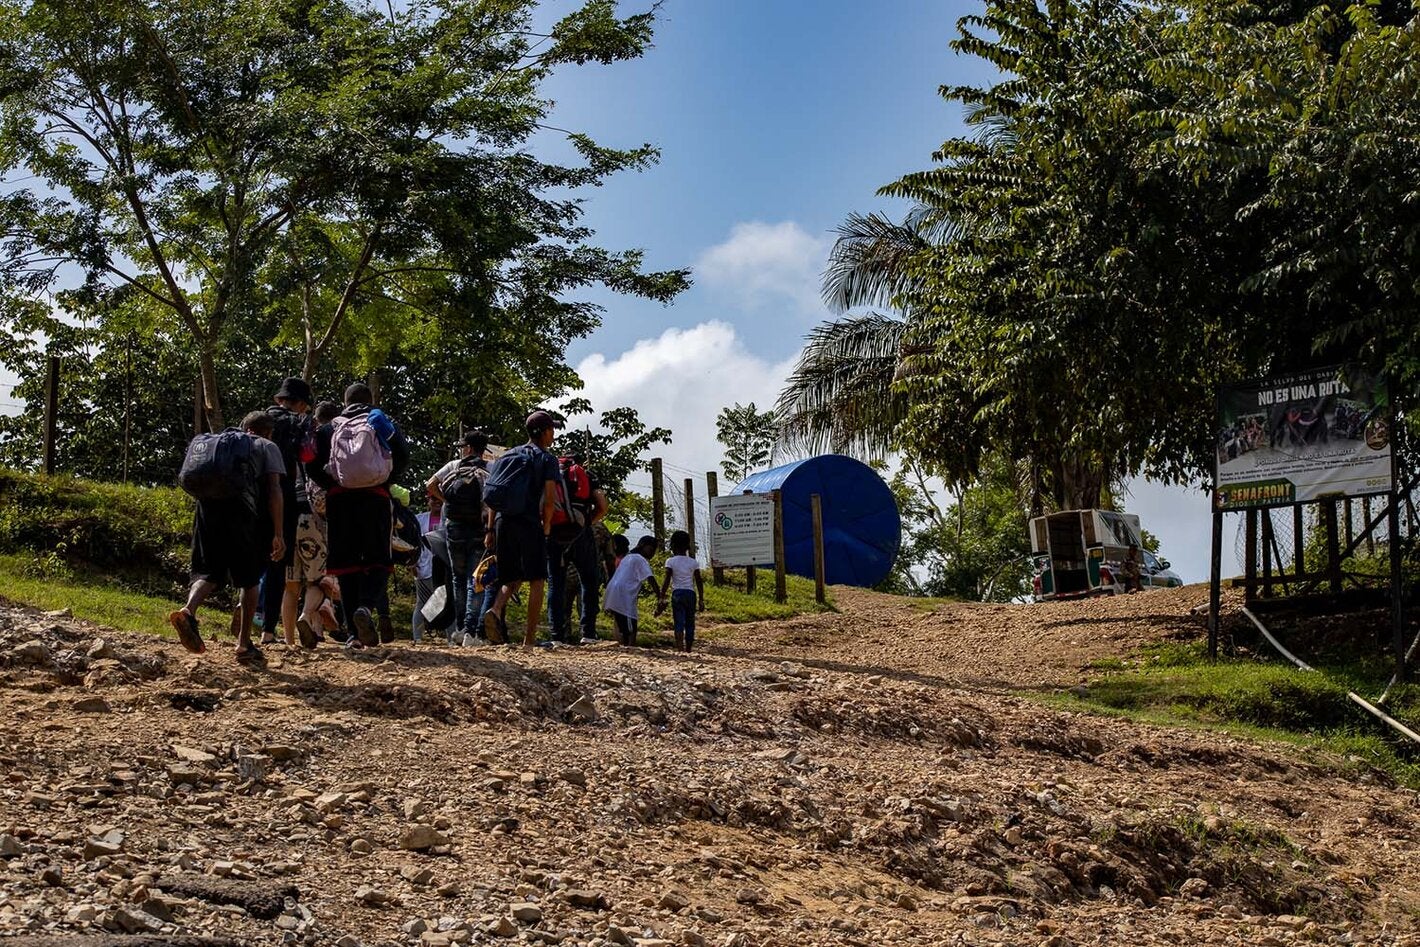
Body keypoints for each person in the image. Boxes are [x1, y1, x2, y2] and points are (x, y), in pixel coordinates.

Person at [169, 411, 286, 661]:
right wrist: (278, 532)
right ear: (267, 431)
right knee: (249, 578)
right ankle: (244, 644)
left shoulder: (219, 444)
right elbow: (274, 489)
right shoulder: (267, 445)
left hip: (206, 509)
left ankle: (188, 610)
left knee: (209, 571)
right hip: (241, 511)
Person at [308, 383, 409, 649]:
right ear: (370, 400)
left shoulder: (330, 428)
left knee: (346, 565)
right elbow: (403, 455)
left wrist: (333, 484)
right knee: (379, 560)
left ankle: (353, 635)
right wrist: (384, 479)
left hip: (340, 502)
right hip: (375, 499)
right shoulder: (380, 422)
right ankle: (365, 607)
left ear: (345, 402)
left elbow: (311, 464)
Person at [483, 411, 564, 648]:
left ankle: (496, 609)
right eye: (552, 430)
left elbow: (493, 498)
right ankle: (529, 639)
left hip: (503, 522)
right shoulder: (546, 459)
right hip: (528, 522)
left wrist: (490, 530)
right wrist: (546, 525)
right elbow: (549, 499)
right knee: (537, 578)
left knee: (511, 576)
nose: (554, 434)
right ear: (545, 432)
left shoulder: (507, 455)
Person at [256, 377, 313, 646]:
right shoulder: (298, 422)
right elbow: (308, 457)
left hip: (254, 497)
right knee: (278, 561)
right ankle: (268, 630)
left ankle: (247, 613)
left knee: (255, 559)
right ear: (300, 403)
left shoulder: (259, 419)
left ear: (279, 399)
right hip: (285, 496)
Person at [429, 431, 491, 645]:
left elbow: (430, 485)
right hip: (478, 530)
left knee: (458, 578)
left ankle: (459, 628)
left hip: (453, 527)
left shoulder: (454, 466)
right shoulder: (488, 468)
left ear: (469, 448)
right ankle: (471, 633)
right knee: (478, 580)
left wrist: (446, 500)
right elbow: (492, 500)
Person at [546, 453, 609, 644]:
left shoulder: (550, 474)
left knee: (555, 583)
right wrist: (587, 522)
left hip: (554, 532)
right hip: (581, 533)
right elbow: (603, 505)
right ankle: (588, 633)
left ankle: (556, 636)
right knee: (589, 582)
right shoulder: (587, 475)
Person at [603, 535, 659, 647]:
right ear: (643, 546)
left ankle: (626, 646)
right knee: (631, 625)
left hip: (614, 591)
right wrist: (660, 596)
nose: (652, 553)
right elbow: (650, 578)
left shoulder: (628, 557)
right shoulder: (640, 559)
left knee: (625, 624)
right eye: (651, 550)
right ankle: (630, 648)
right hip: (623, 595)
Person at [659, 530, 705, 652]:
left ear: (672, 545)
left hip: (677, 593)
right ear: (688, 546)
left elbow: (667, 580)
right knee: (690, 622)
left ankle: (680, 648)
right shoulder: (693, 562)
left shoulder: (670, 561)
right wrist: (701, 599)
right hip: (690, 594)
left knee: (678, 621)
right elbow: (699, 582)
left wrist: (661, 596)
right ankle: (689, 648)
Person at [412, 489, 443, 643]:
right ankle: (417, 637)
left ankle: (451, 638)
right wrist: (412, 563)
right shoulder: (419, 520)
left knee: (445, 601)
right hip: (423, 567)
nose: (436, 502)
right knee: (421, 602)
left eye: (439, 498)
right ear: (428, 501)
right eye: (433, 498)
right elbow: (412, 543)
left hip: (444, 569)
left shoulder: (449, 519)